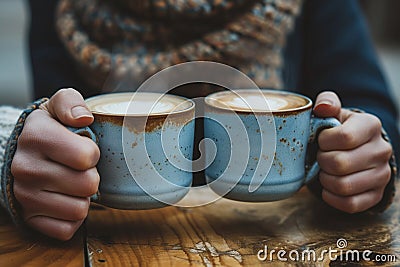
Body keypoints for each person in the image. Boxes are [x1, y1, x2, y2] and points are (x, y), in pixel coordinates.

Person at [0, 0, 398, 240]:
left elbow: (374, 112)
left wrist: (362, 153)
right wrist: (20, 150)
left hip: (281, 239)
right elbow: (55, 127)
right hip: (110, 238)